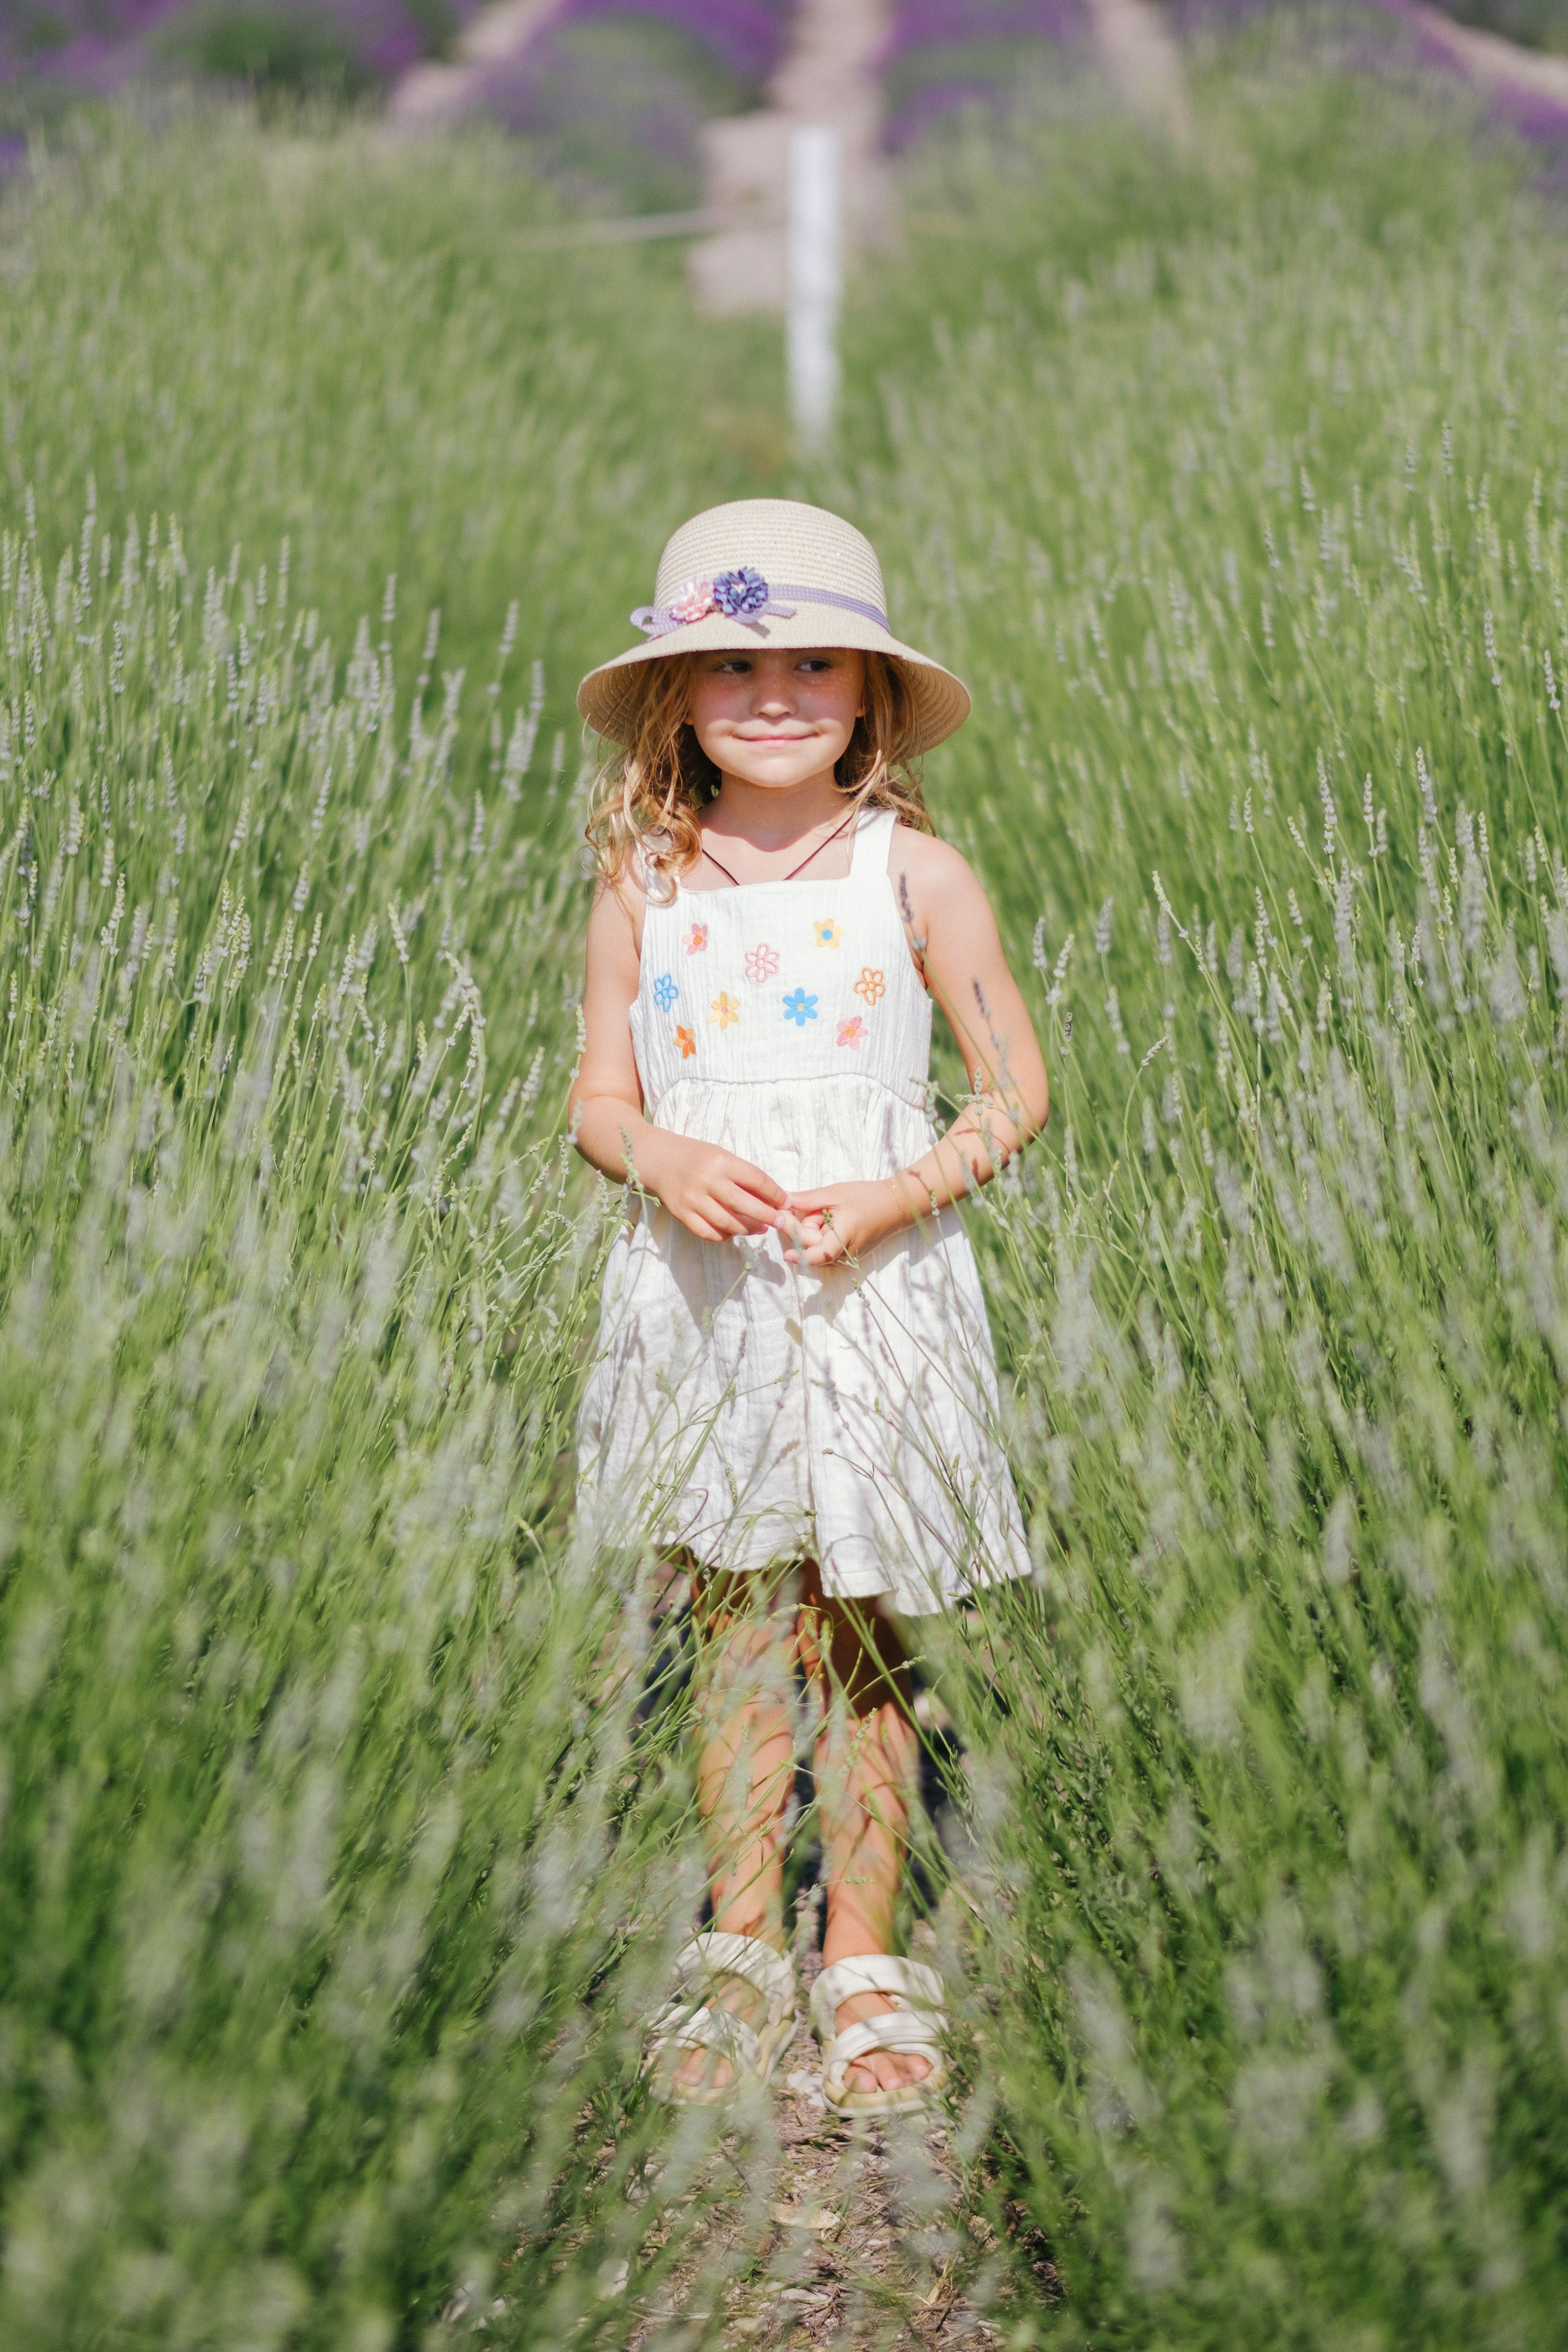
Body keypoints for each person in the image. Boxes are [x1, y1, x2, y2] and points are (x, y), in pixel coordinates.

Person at [571, 500, 1048, 2116]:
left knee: (864, 1641)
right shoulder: (646, 881)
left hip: (872, 1291)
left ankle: (859, 1953)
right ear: (677, 698)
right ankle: (736, 1946)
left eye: (814, 663)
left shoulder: (915, 874)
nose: (774, 693)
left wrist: (894, 1195)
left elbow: (1011, 1094)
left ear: (869, 694)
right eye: (733, 664)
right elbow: (596, 1097)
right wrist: (663, 1156)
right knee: (732, 1629)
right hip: (707, 1292)